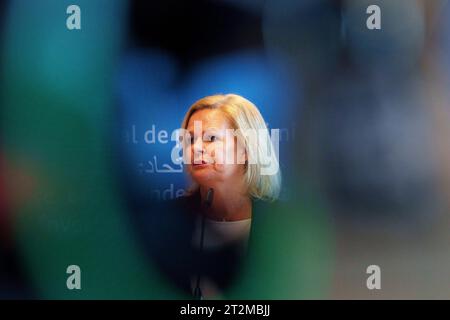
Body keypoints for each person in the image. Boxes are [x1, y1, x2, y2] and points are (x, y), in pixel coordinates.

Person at [140, 94, 281, 299]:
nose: (196, 148)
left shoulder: (280, 225)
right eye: (190, 140)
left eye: (211, 138)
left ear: (247, 149)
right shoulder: (163, 223)